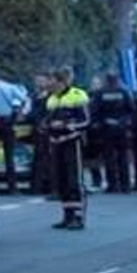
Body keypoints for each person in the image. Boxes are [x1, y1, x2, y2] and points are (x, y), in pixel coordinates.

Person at [44, 67, 90, 230]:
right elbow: (46, 121)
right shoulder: (51, 99)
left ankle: (78, 217)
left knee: (74, 179)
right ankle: (67, 215)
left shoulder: (77, 95)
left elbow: (86, 121)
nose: (48, 83)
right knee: (61, 180)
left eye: (51, 80)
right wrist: (48, 126)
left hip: (72, 143)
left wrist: (66, 125)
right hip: (56, 144)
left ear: (60, 82)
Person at [91, 70, 133, 193]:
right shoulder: (124, 91)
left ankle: (113, 185)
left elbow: (95, 111)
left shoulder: (100, 93)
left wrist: (102, 122)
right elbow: (131, 108)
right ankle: (125, 185)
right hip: (121, 128)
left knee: (109, 157)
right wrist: (123, 121)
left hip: (107, 128)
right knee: (123, 157)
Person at [0, 76, 30, 194]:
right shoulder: (11, 87)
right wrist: (21, 113)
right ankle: (12, 187)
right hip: (7, 123)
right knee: (9, 156)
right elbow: (25, 100)